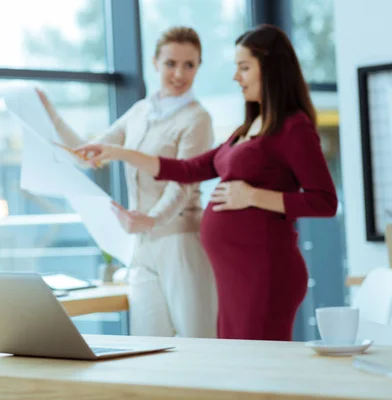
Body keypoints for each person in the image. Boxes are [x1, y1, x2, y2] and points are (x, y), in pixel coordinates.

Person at [75, 24, 338, 341]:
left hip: (265, 271)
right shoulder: (248, 127)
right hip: (231, 273)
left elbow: (325, 201)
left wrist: (253, 195)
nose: (235, 77)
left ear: (269, 69)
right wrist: (118, 152)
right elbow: (187, 169)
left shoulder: (294, 127)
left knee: (258, 373)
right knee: (232, 369)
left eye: (244, 67)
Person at [37, 26, 217, 338]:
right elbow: (88, 155)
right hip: (142, 245)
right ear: (155, 63)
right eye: (171, 63)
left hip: (180, 242)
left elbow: (183, 183)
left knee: (197, 341)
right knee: (148, 342)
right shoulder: (140, 111)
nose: (179, 73)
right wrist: (50, 115)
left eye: (189, 65)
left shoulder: (197, 119)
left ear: (199, 66)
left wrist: (152, 219)